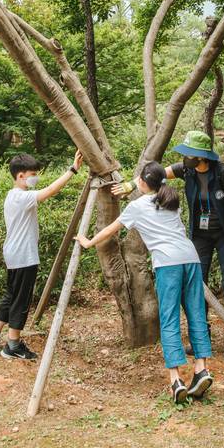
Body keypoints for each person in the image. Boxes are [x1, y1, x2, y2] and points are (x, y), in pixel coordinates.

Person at [78, 161, 213, 404]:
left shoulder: (137, 206)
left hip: (168, 264)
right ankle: (201, 369)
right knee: (196, 314)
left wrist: (88, 242)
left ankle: (176, 380)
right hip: (191, 259)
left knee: (169, 319)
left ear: (141, 182)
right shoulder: (171, 201)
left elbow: (111, 229)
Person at [113, 131, 224, 359]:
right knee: (197, 285)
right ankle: (201, 337)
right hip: (199, 235)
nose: (185, 157)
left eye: (189, 154)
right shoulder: (186, 170)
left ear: (201, 156)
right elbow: (157, 175)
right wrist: (132, 184)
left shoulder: (223, 173)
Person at [0, 148, 83, 360]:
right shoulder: (22, 197)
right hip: (24, 256)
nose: (36, 178)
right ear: (21, 176)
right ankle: (12, 345)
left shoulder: (11, 195)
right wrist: (73, 170)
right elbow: (51, 190)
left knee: (11, 295)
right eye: (33, 175)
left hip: (12, 254)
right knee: (21, 300)